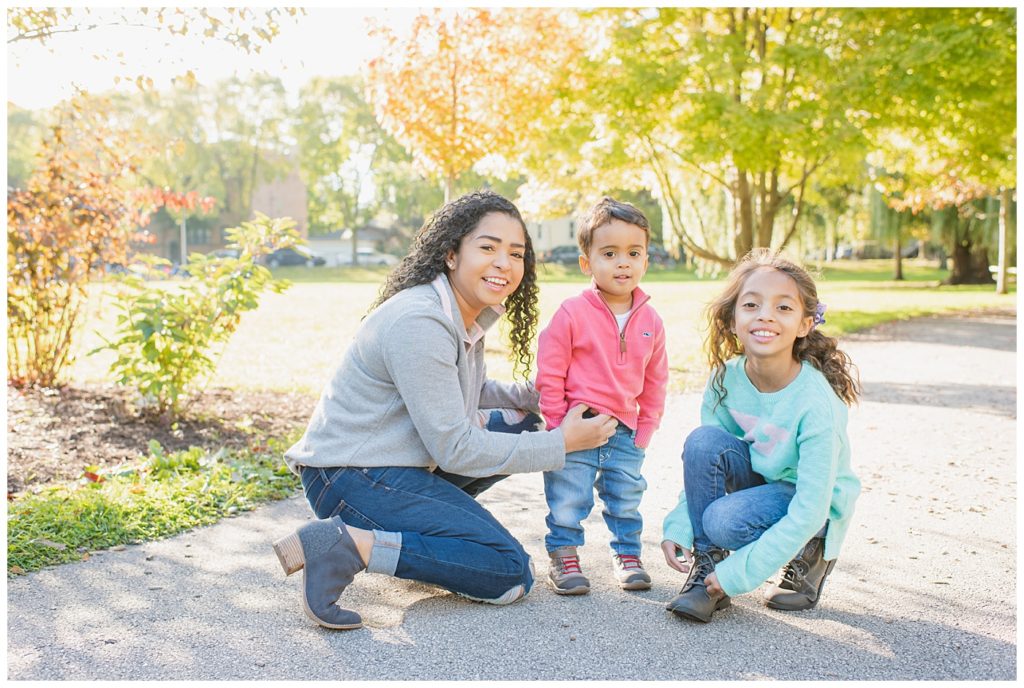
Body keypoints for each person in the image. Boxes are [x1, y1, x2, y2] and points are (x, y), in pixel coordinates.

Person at [272, 190, 618, 629]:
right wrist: (561, 443)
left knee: (523, 425)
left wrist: (543, 392)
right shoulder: (421, 321)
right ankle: (348, 544)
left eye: (516, 253)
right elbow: (455, 447)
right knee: (505, 570)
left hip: (387, 463)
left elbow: (462, 391)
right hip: (351, 476)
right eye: (488, 247)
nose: (505, 263)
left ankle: (426, 537)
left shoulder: (463, 312)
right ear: (452, 253)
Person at [661, 249, 861, 622]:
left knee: (724, 521)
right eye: (751, 304)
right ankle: (706, 570)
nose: (766, 315)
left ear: (805, 324)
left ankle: (814, 548)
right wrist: (678, 525)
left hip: (813, 500)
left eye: (784, 308)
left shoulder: (816, 402)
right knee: (703, 441)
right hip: (763, 479)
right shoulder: (726, 379)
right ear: (733, 318)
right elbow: (704, 472)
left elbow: (811, 504)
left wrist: (739, 575)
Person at [535, 197, 668, 595]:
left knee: (626, 498)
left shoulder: (651, 320)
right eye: (609, 253)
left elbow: (657, 382)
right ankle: (564, 556)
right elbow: (550, 371)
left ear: (645, 261)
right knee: (567, 499)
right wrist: (559, 426)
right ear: (587, 262)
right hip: (578, 425)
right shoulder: (572, 312)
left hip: (625, 431)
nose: (622, 263)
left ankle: (627, 555)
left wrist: (644, 433)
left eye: (633, 253)